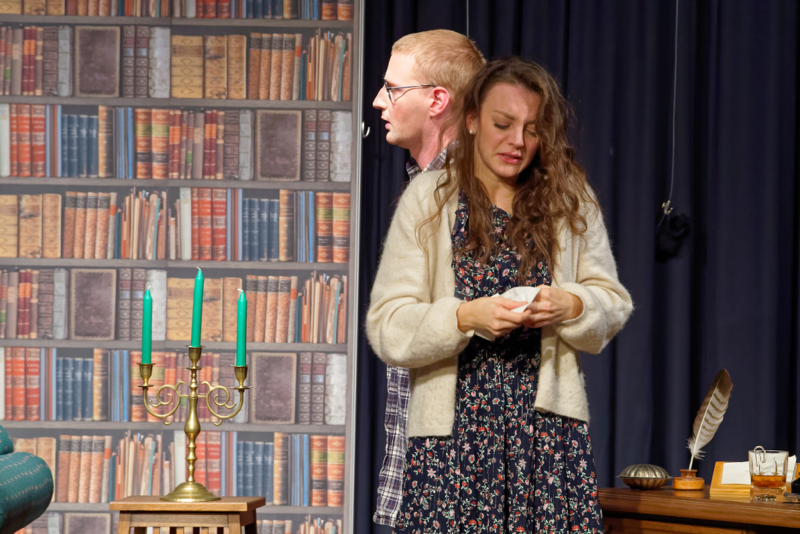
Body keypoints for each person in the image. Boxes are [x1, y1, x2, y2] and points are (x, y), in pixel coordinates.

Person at [366, 57, 633, 533]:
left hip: (547, 437)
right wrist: (464, 317)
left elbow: (611, 301)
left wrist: (572, 304)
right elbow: (387, 325)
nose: (518, 142)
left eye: (532, 129)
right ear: (471, 121)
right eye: (503, 124)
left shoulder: (569, 199)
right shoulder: (428, 199)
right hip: (453, 439)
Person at [370, 30, 485, 528]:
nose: (380, 101)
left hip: (458, 481)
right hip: (430, 477)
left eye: (393, 89)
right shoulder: (430, 189)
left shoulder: (472, 195)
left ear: (437, 100)